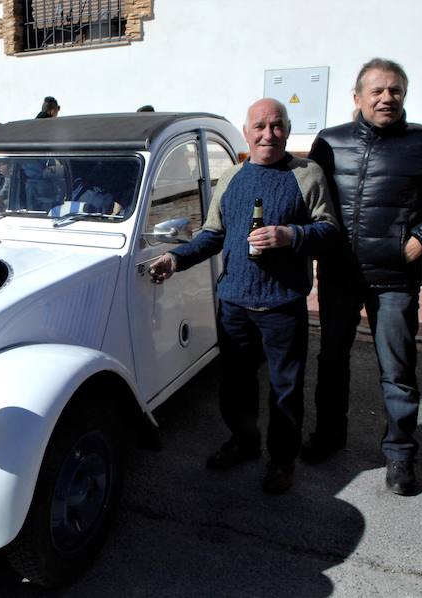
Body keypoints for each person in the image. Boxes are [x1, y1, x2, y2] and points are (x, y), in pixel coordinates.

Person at [304, 58, 422, 496]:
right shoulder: (329, 142)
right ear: (357, 97)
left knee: (397, 367)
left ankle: (400, 454)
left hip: (394, 280)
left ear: (404, 95)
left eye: (395, 91)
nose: (387, 98)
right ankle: (329, 435)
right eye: (378, 91)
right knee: (331, 360)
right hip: (339, 275)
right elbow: (310, 199)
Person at [149, 98, 338, 494]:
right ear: (247, 130)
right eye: (259, 126)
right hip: (234, 301)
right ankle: (244, 442)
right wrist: (175, 258)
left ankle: (282, 460)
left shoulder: (308, 175)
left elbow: (329, 232)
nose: (268, 134)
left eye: (277, 126)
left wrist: (291, 235)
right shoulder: (232, 177)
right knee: (236, 384)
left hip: (283, 304)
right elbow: (212, 234)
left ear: (287, 129)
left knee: (285, 388)